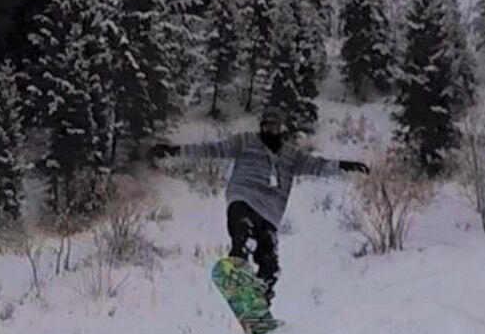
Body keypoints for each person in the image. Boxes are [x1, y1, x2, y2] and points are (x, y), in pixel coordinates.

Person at [152, 107, 369, 303]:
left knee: (270, 262)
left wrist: (344, 165)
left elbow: (317, 166)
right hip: (243, 198)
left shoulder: (291, 155)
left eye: (274, 126)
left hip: (270, 212)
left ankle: (261, 299)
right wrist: (176, 151)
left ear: (281, 129)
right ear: (261, 126)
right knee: (242, 234)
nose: (270, 130)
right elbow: (213, 150)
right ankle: (238, 264)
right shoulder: (245, 142)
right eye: (266, 125)